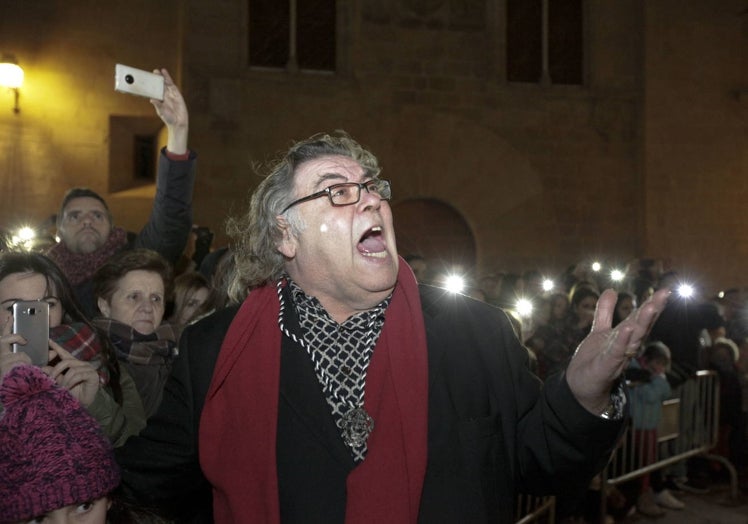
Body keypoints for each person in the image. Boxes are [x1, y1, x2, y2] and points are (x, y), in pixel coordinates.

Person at [115, 132, 669, 523]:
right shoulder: (214, 351)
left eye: (374, 186)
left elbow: (539, 461)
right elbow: (145, 483)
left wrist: (583, 393)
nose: (372, 200)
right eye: (338, 190)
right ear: (286, 236)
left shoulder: (475, 333)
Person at [47, 68, 196, 317]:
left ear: (112, 225)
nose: (86, 221)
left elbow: (170, 220)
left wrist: (177, 131)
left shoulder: (136, 262)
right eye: (74, 216)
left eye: (97, 216)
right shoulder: (43, 278)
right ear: (59, 230)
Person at [0, 251, 145, 447]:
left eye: (47, 305)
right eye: (14, 308)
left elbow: (138, 449)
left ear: (64, 308)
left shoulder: (101, 359)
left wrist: (94, 404)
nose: (35, 319)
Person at [93, 248, 178, 419]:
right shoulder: (87, 358)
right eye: (134, 297)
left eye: (156, 298)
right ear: (105, 306)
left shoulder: (179, 361)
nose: (147, 308)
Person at [627, 341, 684, 516]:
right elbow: (650, 395)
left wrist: (656, 380)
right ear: (649, 359)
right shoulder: (637, 372)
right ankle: (638, 498)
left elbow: (664, 393)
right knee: (639, 465)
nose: (661, 369)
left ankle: (643, 496)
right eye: (659, 364)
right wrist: (659, 380)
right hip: (638, 425)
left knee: (648, 464)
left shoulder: (650, 375)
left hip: (649, 425)